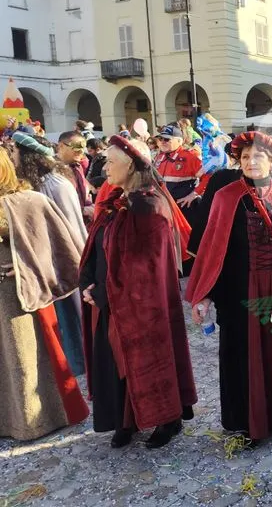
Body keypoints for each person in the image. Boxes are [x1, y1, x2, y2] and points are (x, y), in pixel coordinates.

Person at [79, 136, 196, 448]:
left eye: (110, 161)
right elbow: (95, 246)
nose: (104, 166)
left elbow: (144, 267)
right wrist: (89, 282)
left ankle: (166, 419)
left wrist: (103, 292)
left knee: (149, 361)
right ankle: (125, 419)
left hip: (141, 306)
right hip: (107, 298)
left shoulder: (149, 206)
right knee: (115, 361)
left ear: (130, 164)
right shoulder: (114, 200)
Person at [186, 132, 272, 442]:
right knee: (242, 356)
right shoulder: (225, 196)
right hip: (239, 292)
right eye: (245, 157)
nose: (251, 162)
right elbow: (212, 249)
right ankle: (247, 422)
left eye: (258, 156)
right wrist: (206, 293)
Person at [0, 148, 89, 440]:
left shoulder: (30, 201)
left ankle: (37, 419)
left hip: (19, 296)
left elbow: (59, 247)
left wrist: (23, 263)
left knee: (25, 359)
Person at [11, 131, 87, 376]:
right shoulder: (40, 183)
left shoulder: (55, 184)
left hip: (63, 265)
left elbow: (69, 231)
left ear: (28, 156)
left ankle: (78, 369)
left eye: (14, 152)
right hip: (50, 264)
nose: (11, 156)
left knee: (72, 322)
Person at [57, 131, 93, 221]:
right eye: (76, 147)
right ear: (61, 146)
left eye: (82, 147)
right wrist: (81, 210)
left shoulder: (78, 167)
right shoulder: (53, 169)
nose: (80, 151)